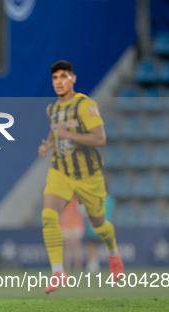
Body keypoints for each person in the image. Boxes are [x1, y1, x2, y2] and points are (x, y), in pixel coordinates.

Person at [38, 60, 124, 294]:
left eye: (63, 76)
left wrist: (69, 134)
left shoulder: (85, 105)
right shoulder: (53, 109)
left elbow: (100, 139)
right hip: (61, 172)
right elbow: (56, 132)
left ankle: (113, 254)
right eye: (55, 78)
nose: (59, 82)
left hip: (88, 175)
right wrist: (47, 145)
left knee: (99, 225)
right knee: (48, 215)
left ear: (72, 79)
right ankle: (58, 272)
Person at [85, 194, 116, 273]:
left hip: (94, 225)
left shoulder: (95, 199)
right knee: (98, 245)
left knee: (92, 245)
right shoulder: (110, 200)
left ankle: (92, 263)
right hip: (105, 225)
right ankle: (95, 263)